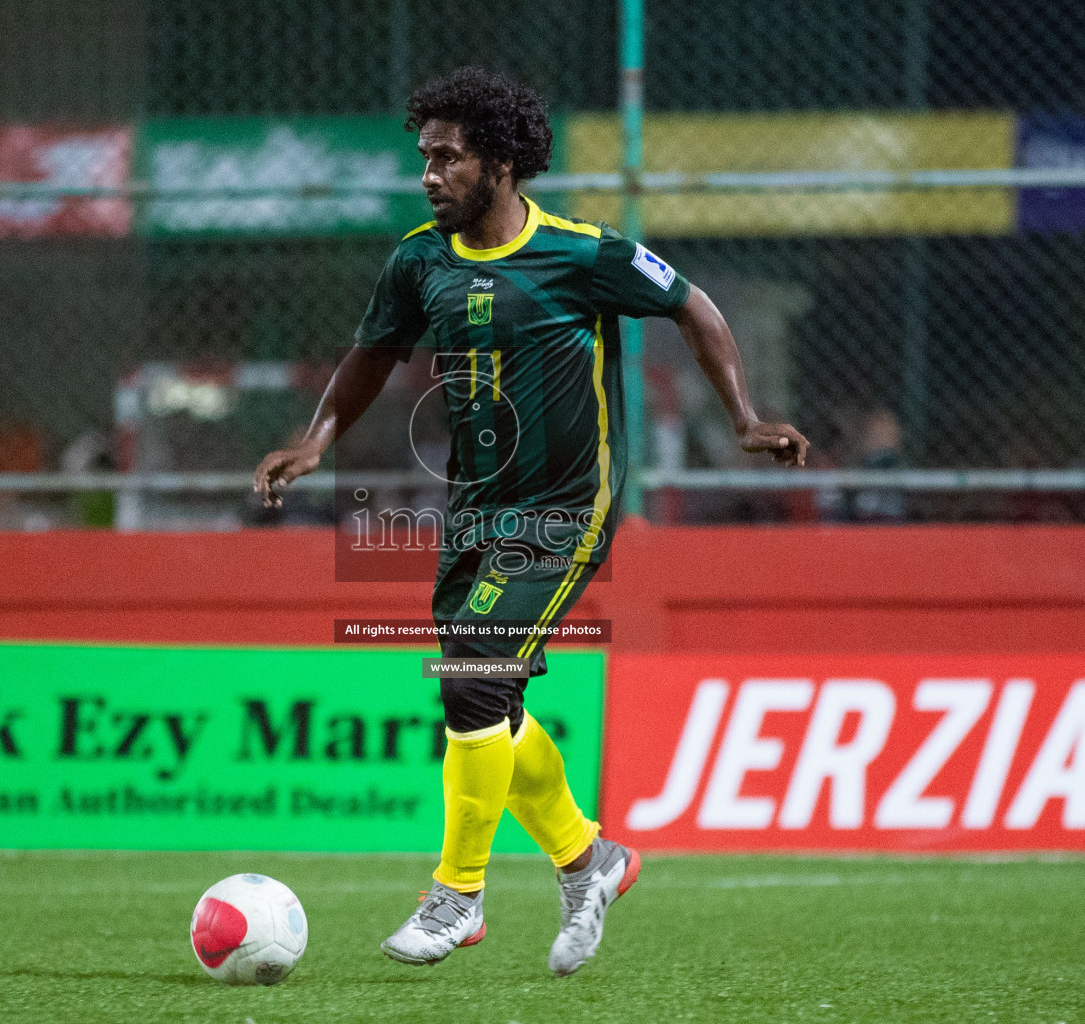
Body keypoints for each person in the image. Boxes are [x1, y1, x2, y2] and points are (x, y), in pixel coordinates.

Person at [253, 67, 807, 976]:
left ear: (502, 163)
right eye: (423, 156)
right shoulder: (417, 260)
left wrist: (745, 418)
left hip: (566, 506)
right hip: (473, 510)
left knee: (470, 678)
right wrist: (317, 439)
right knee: (489, 700)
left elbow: (694, 307)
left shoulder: (584, 255)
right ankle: (591, 859)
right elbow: (372, 352)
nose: (428, 174)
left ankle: (458, 898)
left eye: (447, 157)